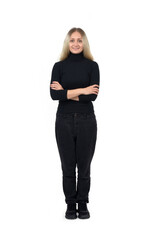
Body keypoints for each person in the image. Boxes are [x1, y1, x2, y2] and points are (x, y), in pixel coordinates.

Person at [50, 27, 100, 219]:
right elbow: (55, 95)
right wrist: (83, 90)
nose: (76, 44)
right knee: (68, 166)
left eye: (80, 40)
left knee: (85, 166)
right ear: (67, 43)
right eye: (72, 40)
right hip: (63, 121)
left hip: (87, 121)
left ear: (84, 43)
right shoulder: (58, 66)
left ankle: (83, 203)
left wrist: (67, 92)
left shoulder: (92, 66)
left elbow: (92, 97)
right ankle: (71, 204)